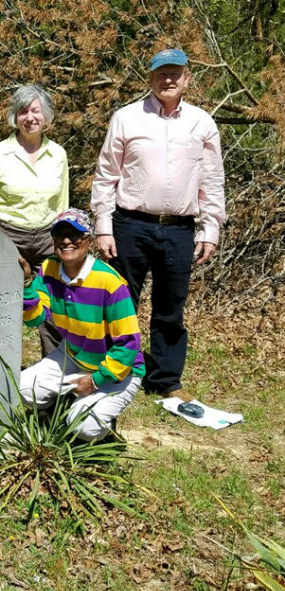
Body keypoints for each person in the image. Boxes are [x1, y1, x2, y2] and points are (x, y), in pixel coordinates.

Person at [90, 49, 225, 400]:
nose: (169, 79)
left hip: (180, 229)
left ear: (187, 77)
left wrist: (211, 228)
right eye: (161, 73)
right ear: (150, 78)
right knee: (119, 303)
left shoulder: (202, 122)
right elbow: (106, 174)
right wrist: (103, 225)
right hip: (129, 225)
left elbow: (211, 181)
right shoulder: (126, 118)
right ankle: (112, 372)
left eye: (175, 73)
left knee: (170, 308)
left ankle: (166, 380)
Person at [18, 209, 145, 441]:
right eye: (60, 235)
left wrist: (95, 381)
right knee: (22, 389)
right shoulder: (49, 269)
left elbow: (128, 345)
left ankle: (102, 429)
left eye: (75, 235)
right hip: (74, 356)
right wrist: (28, 283)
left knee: (83, 427)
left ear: (89, 239)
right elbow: (35, 318)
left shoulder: (110, 282)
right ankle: (69, 403)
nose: (67, 241)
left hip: (120, 371)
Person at [0, 84, 68, 357]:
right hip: (5, 236)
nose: (30, 117)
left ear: (46, 116)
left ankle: (55, 375)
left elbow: (62, 204)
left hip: (47, 239)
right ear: (15, 117)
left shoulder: (58, 155)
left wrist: (62, 241)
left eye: (35, 110)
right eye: (23, 111)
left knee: (52, 306)